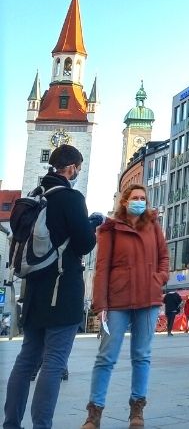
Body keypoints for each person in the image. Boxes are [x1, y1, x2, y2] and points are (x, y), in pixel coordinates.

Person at [3, 144, 100, 429]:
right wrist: (92, 224)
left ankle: (11, 423)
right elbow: (84, 242)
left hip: (33, 293)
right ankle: (42, 425)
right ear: (70, 168)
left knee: (26, 360)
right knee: (54, 361)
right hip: (62, 290)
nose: (77, 173)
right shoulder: (70, 198)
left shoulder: (34, 196)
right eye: (77, 168)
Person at [81, 184, 169, 429]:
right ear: (124, 201)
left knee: (142, 356)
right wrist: (101, 304)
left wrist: (159, 277)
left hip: (148, 299)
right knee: (106, 357)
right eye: (135, 198)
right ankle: (94, 413)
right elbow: (102, 268)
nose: (139, 201)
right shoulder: (110, 229)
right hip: (117, 301)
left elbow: (164, 256)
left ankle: (137, 411)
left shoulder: (153, 225)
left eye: (143, 198)